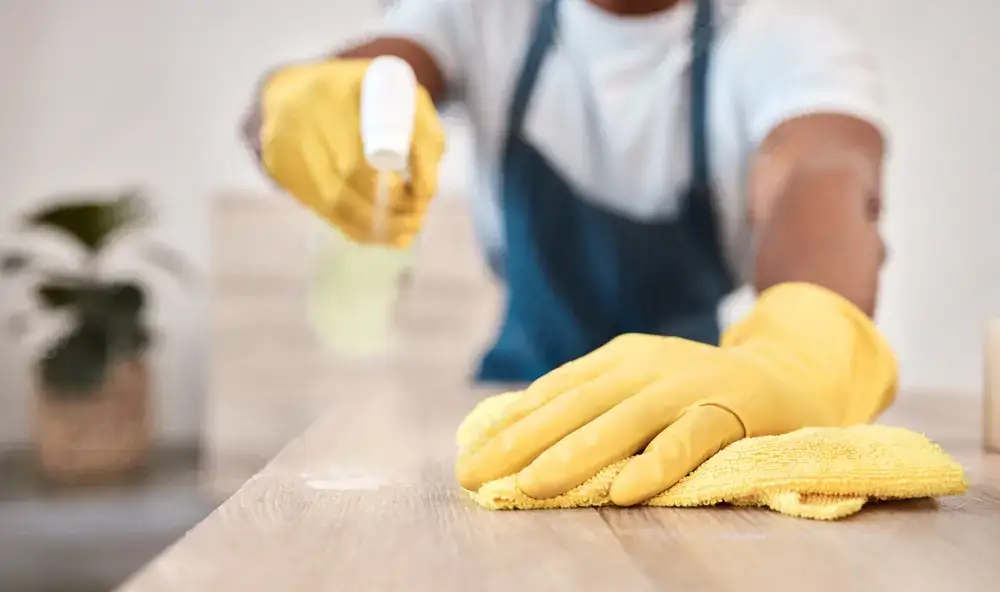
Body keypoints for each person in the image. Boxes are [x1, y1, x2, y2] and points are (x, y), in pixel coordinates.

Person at [243, 0, 899, 506]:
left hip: (693, 417)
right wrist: (306, 105)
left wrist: (800, 350)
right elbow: (380, 71)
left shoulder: (777, 41)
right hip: (505, 400)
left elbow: (823, 168)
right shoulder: (483, 15)